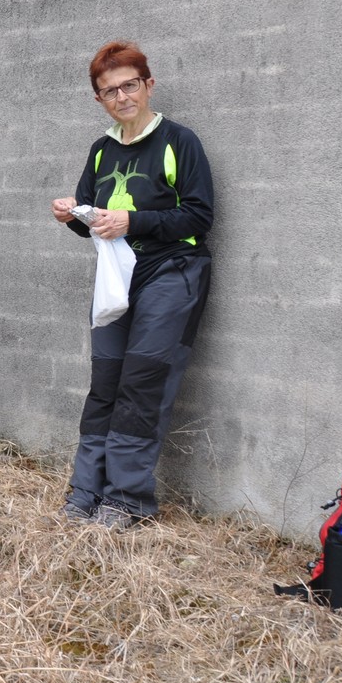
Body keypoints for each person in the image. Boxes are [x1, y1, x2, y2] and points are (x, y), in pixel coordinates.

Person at [50, 40, 213, 529]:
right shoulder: (100, 150)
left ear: (149, 85)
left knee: (142, 385)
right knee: (104, 384)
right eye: (109, 90)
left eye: (130, 85)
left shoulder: (179, 141)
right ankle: (85, 492)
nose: (122, 97)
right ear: (98, 99)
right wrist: (73, 216)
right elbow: (93, 220)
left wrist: (131, 221)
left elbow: (199, 215)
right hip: (116, 279)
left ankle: (127, 500)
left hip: (172, 273)